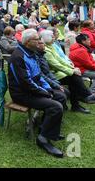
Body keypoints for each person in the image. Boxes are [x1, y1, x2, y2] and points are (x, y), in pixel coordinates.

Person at [8, 29, 65, 158]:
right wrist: (45, 92)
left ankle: (45, 129)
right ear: (28, 42)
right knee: (55, 106)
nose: (40, 41)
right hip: (22, 94)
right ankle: (43, 140)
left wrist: (48, 89)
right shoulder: (18, 57)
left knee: (61, 96)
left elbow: (39, 75)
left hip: (33, 89)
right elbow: (25, 83)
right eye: (37, 39)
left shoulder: (31, 52)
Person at [40, 30, 95, 112]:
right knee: (74, 77)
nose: (54, 38)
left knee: (74, 79)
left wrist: (71, 68)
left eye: (53, 36)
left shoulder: (52, 46)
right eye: (52, 37)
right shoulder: (46, 50)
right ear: (46, 38)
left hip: (59, 73)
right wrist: (71, 71)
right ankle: (85, 96)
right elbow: (55, 64)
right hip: (53, 76)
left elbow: (60, 60)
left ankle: (79, 103)